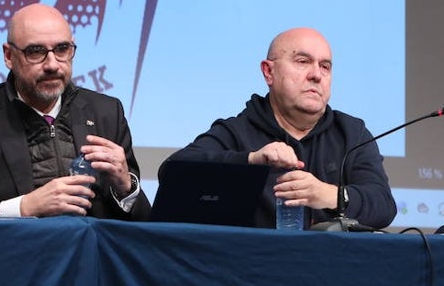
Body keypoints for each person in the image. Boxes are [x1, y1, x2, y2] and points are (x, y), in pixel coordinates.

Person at [165, 27, 396, 229]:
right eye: (303, 61)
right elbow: (173, 172)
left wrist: (329, 195)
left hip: (331, 268)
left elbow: (384, 205)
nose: (316, 74)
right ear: (268, 72)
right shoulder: (237, 130)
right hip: (252, 268)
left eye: (325, 66)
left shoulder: (351, 133)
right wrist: (252, 161)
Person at [0, 3, 150, 220]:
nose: (52, 64)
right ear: (9, 56)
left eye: (62, 49)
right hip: (16, 251)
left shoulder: (106, 112)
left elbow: (144, 226)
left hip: (90, 251)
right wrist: (25, 207)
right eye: (35, 52)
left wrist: (126, 188)